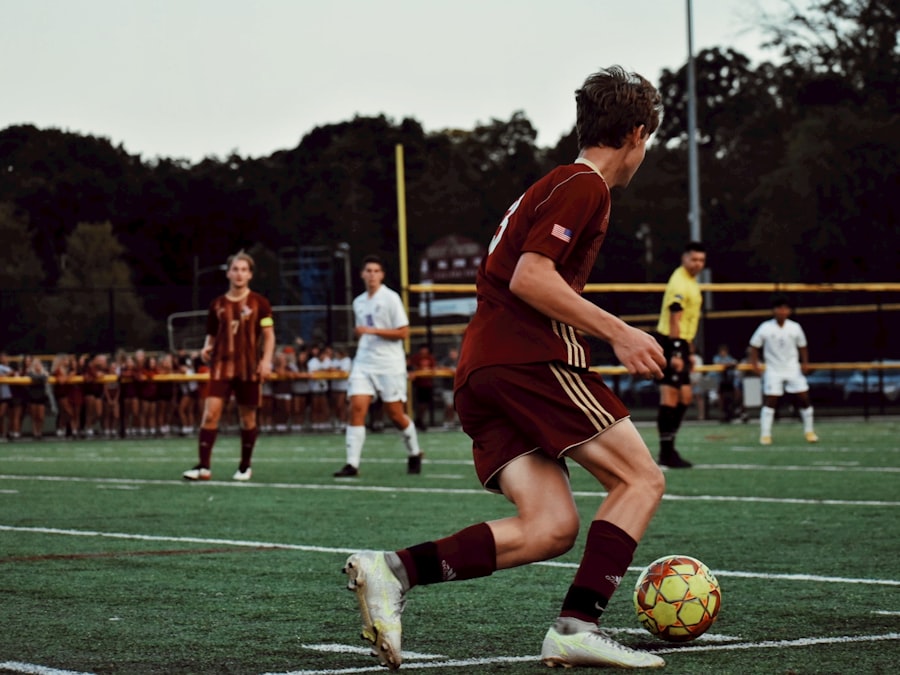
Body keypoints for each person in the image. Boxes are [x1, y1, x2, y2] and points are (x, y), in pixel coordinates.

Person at [341, 66, 666, 670]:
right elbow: (531, 277)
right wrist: (619, 331)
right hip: (528, 359)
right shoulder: (583, 185)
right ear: (638, 134)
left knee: (549, 526)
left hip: (485, 369)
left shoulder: (554, 183)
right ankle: (576, 625)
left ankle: (393, 572)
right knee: (641, 479)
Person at [183, 250, 275, 481]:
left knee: (247, 418)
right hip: (222, 367)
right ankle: (203, 467)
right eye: (235, 269)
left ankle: (245, 466)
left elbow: (269, 335)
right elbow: (212, 334)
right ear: (228, 273)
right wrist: (207, 347)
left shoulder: (260, 303)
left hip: (248, 368)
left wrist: (265, 361)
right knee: (210, 413)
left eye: (244, 270)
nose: (239, 274)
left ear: (250, 274)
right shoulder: (217, 305)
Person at [333, 255, 423, 477]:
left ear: (381, 275)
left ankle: (414, 452)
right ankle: (352, 464)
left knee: (395, 414)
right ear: (362, 274)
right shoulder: (359, 302)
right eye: (368, 270)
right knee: (356, 408)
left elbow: (403, 332)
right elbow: (363, 330)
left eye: (376, 271)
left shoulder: (391, 298)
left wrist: (371, 331)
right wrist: (365, 334)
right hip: (364, 362)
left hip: (389, 364)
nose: (372, 274)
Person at [652, 240, 707, 468]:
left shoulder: (692, 281)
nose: (697, 264)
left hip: (681, 343)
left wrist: (689, 350)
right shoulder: (679, 282)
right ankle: (666, 452)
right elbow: (675, 316)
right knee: (671, 398)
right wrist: (675, 351)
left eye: (701, 260)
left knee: (685, 397)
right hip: (670, 341)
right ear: (684, 258)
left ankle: (670, 448)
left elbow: (687, 321)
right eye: (694, 259)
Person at [748, 295, 818, 445]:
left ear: (789, 311)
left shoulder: (795, 327)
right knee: (771, 400)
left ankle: (809, 431)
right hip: (773, 369)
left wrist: (805, 363)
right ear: (774, 310)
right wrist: (755, 364)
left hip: (792, 368)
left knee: (804, 398)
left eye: (785, 308)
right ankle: (765, 434)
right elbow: (754, 346)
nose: (782, 311)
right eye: (779, 308)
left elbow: (802, 346)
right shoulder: (766, 327)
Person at [409, 344, 436, 430]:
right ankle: (416, 420)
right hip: (418, 384)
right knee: (418, 403)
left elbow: (434, 368)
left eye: (425, 349)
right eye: (422, 349)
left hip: (427, 384)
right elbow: (411, 367)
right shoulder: (416, 358)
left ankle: (419, 420)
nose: (423, 351)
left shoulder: (430, 357)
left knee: (425, 404)